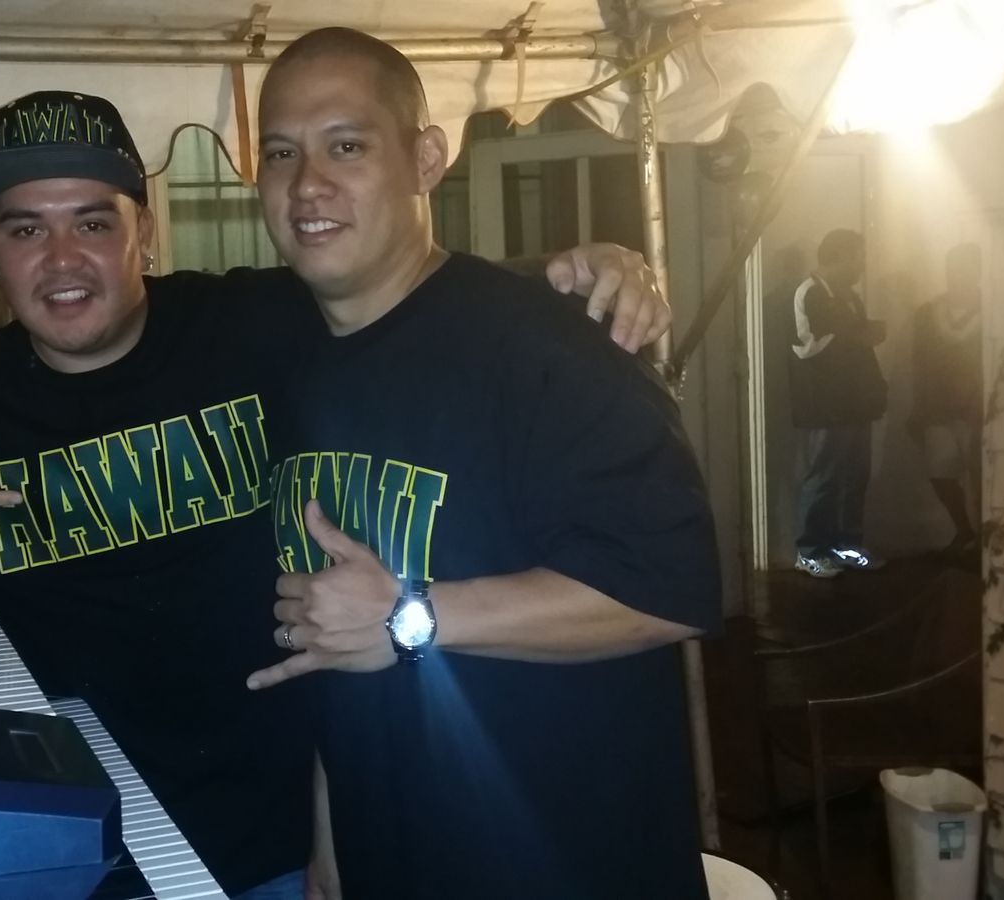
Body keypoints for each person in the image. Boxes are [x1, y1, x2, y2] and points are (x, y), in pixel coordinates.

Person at [0, 90, 667, 898]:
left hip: (286, 846)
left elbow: (414, 295)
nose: (62, 258)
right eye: (27, 228)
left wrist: (577, 276)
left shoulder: (251, 325)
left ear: (145, 233)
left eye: (93, 221)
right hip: (80, 856)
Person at [238, 28, 720, 899]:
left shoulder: (549, 342)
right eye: (281, 153)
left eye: (347, 146)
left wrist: (411, 616)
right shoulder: (294, 361)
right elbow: (336, 630)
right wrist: (329, 836)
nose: (307, 184)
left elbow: (668, 588)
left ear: (426, 159)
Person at [788, 228, 888, 578]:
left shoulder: (849, 296)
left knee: (854, 477)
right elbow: (804, 347)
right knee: (824, 478)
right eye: (857, 256)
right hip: (826, 407)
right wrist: (856, 337)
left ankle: (846, 548)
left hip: (856, 404)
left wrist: (866, 335)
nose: (862, 264)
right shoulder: (808, 292)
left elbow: (853, 341)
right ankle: (810, 553)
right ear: (839, 256)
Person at [910, 243, 984, 561]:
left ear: (977, 271)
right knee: (940, 473)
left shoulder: (993, 310)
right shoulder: (927, 314)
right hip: (937, 408)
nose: (957, 275)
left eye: (965, 268)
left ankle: (986, 542)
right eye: (952, 268)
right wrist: (920, 408)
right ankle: (965, 531)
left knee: (983, 477)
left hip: (979, 409)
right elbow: (919, 363)